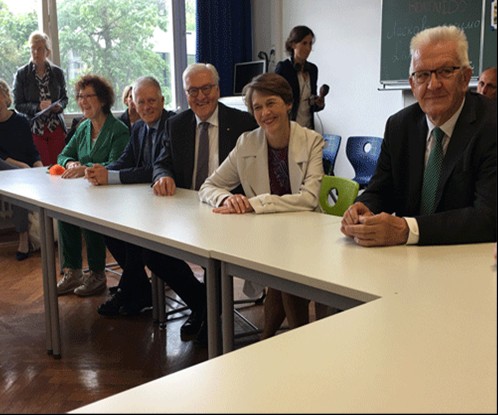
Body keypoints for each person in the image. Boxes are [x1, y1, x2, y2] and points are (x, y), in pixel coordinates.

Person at [341, 25, 496, 247]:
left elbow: (488, 217)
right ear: (413, 84)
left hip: (470, 263)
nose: (433, 85)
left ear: (465, 78)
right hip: (406, 263)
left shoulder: (491, 126)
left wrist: (408, 230)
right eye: (422, 75)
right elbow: (380, 190)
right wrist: (362, 208)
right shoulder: (398, 126)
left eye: (445, 71)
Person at [198, 72, 324, 339]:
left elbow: (309, 198)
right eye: (257, 107)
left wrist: (256, 203)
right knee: (282, 275)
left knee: (285, 275)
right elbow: (209, 186)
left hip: (309, 236)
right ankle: (285, 341)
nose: (265, 112)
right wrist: (227, 198)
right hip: (269, 238)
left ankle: (280, 340)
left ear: (288, 103)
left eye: (271, 103)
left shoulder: (311, 141)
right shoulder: (247, 143)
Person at [150, 63, 258, 343]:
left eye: (206, 88)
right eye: (193, 91)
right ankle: (201, 303)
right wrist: (163, 176)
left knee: (215, 256)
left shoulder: (244, 123)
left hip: (229, 211)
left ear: (218, 89)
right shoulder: (176, 124)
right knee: (152, 251)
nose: (200, 96)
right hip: (186, 210)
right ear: (186, 94)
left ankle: (209, 317)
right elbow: (162, 162)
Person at [85, 76, 176, 315]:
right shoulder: (138, 128)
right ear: (133, 104)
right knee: (110, 232)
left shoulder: (174, 125)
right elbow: (125, 160)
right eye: (141, 102)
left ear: (162, 100)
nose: (146, 107)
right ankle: (139, 288)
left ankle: (131, 291)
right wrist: (101, 170)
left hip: (171, 205)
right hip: (145, 203)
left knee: (134, 237)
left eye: (152, 101)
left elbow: (153, 169)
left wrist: (111, 177)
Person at [56, 74, 130, 297]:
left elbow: (116, 165)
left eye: (89, 96)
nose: (83, 101)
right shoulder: (83, 127)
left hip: (114, 196)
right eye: (80, 96)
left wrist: (84, 167)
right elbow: (63, 155)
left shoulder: (119, 130)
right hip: (85, 193)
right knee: (63, 213)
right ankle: (73, 272)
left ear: (103, 99)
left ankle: (98, 274)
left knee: (89, 217)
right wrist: (71, 162)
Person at [0, 79, 43, 260]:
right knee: (17, 177)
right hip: (6, 169)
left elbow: (31, 151)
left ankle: (24, 238)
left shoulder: (21, 121)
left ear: (5, 97)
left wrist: (39, 166)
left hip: (20, 173)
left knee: (19, 183)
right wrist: (20, 166)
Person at [13, 31, 68, 166]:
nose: (35, 52)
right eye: (33, 49)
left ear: (47, 52)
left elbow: (64, 98)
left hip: (55, 126)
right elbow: (18, 104)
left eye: (39, 49)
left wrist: (59, 106)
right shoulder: (22, 74)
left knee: (59, 166)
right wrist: (37, 107)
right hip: (34, 127)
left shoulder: (57, 73)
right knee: (42, 168)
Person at [275, 25, 325, 130]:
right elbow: (276, 101)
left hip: (308, 129)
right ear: (293, 44)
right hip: (289, 128)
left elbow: (311, 104)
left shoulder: (312, 69)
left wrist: (319, 103)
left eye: (310, 44)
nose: (308, 48)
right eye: (304, 43)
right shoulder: (283, 68)